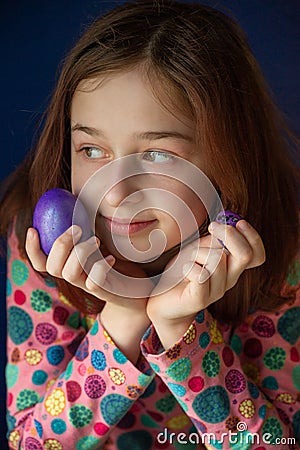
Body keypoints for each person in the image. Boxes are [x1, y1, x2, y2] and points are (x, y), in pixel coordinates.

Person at [0, 0, 299, 448]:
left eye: (158, 156)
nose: (115, 193)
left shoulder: (282, 251)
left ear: (229, 156)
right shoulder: (43, 246)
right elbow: (32, 443)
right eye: (91, 150)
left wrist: (180, 331)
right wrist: (125, 315)